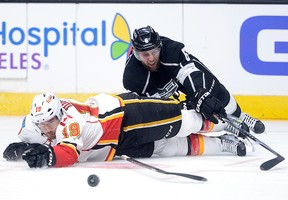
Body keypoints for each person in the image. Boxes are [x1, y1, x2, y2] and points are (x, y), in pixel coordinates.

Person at [3, 92, 248, 168]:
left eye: (49, 123)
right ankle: (222, 144)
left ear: (59, 115)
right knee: (172, 149)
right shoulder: (37, 122)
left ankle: (228, 124)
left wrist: (48, 156)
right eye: (41, 124)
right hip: (117, 146)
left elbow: (69, 155)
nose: (45, 129)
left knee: (184, 122)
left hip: (126, 119)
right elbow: (20, 142)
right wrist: (23, 148)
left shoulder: (70, 123)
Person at [122, 25, 265, 136]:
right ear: (136, 54)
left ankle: (241, 116)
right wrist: (177, 107)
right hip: (159, 93)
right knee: (177, 120)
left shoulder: (171, 51)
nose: (151, 58)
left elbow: (189, 72)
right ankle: (224, 125)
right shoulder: (133, 77)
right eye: (145, 55)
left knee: (210, 88)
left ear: (160, 47)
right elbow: (150, 106)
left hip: (178, 76)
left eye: (154, 52)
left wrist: (199, 93)